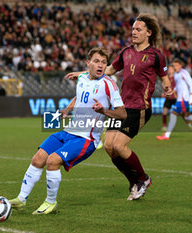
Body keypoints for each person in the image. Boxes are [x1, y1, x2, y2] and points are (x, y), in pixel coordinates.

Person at [65, 13, 173, 200]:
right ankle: (133, 181)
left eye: (138, 29)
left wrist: (168, 88)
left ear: (148, 33)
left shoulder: (156, 56)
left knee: (119, 145)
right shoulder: (126, 52)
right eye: (133, 29)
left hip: (140, 108)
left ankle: (142, 179)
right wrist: (82, 73)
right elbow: (107, 71)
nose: (134, 32)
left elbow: (165, 79)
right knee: (108, 146)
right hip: (121, 108)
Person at [9, 47, 126, 214]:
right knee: (38, 159)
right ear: (88, 63)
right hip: (68, 132)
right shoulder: (83, 78)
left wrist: (103, 111)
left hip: (86, 139)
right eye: (96, 61)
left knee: (52, 161)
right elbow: (79, 96)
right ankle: (21, 199)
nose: (100, 65)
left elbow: (122, 113)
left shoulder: (109, 85)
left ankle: (50, 203)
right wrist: (66, 110)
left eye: (104, 62)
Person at [157, 58, 192, 140]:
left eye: (176, 65)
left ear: (180, 66)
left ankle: (167, 135)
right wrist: (172, 92)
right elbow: (178, 86)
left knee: (173, 113)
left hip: (183, 99)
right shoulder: (176, 74)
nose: (175, 67)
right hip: (180, 99)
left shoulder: (184, 73)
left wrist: (191, 98)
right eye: (174, 66)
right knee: (187, 116)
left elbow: (191, 84)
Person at [161, 65, 192, 132]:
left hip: (176, 98)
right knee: (164, 112)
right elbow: (164, 86)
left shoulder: (176, 77)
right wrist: (164, 93)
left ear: (173, 70)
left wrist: (174, 92)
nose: (169, 70)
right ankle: (164, 126)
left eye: (171, 69)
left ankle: (188, 123)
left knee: (182, 113)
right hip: (168, 99)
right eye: (168, 69)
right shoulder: (166, 78)